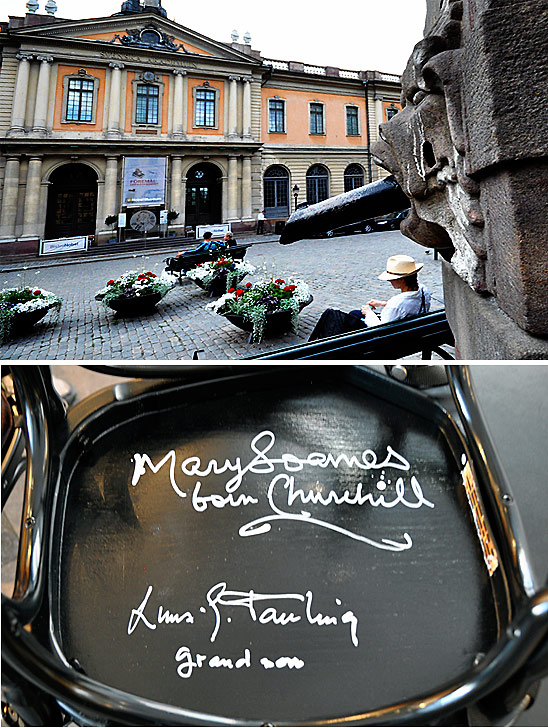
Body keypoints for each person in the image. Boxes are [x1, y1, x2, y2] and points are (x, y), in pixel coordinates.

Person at [309, 254, 431, 341]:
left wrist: (368, 312)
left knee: (335, 315)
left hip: (387, 340)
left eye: (392, 279)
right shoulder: (424, 290)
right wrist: (383, 304)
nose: (390, 282)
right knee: (354, 314)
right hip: (409, 332)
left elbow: (380, 329)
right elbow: (407, 307)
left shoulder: (396, 304)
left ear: (402, 280)